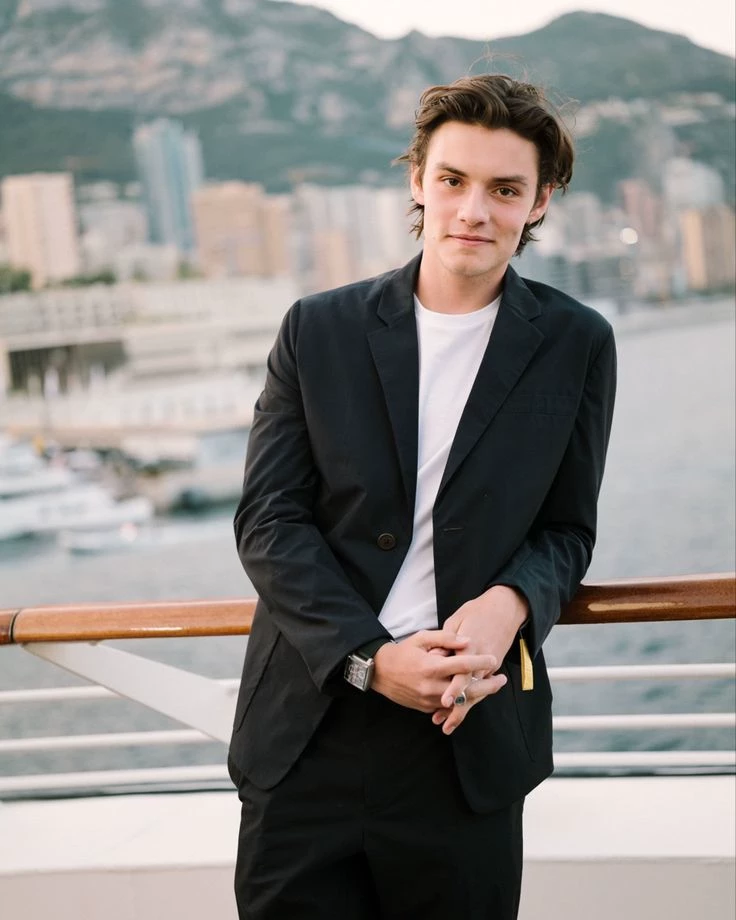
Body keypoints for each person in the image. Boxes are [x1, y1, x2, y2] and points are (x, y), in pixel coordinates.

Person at [228, 72, 617, 920]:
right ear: (417, 183)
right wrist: (370, 656)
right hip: (310, 730)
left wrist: (512, 603)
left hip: (467, 736)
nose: (474, 210)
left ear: (540, 202)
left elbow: (566, 530)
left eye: (504, 189)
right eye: (452, 180)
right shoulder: (317, 329)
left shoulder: (577, 342)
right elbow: (268, 521)